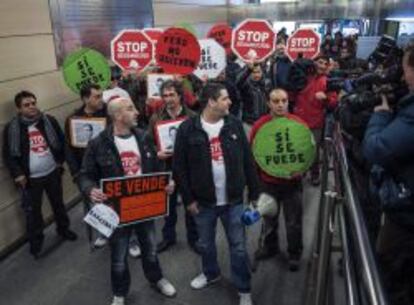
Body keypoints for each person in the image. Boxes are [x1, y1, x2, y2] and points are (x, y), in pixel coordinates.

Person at [79, 97, 177, 305]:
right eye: (130, 109)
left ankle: (156, 278)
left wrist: (165, 183)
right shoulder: (98, 144)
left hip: (144, 206)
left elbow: (155, 167)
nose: (137, 112)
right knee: (119, 257)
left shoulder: (143, 137)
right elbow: (85, 174)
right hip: (117, 210)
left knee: (150, 248)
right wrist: (91, 189)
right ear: (117, 115)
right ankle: (120, 293)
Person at [173, 82, 259, 305]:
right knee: (206, 244)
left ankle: (244, 288)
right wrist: (189, 199)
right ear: (211, 102)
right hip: (203, 203)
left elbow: (248, 160)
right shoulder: (187, 129)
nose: (230, 101)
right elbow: (179, 167)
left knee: (238, 247)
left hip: (233, 200)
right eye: (225, 98)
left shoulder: (234, 125)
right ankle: (211, 274)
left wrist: (255, 194)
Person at [363, 42, 414, 305]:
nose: (403, 76)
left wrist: (380, 117)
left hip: (406, 218)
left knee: (391, 273)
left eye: (405, 69)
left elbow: (377, 149)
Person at [2, 90, 77, 258]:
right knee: (33, 213)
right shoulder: (12, 128)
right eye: (26, 105)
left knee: (58, 204)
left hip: (52, 173)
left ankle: (63, 230)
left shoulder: (47, 120)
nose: (32, 107)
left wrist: (60, 161)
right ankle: (37, 243)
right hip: (30, 180)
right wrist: (18, 174)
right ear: (19, 109)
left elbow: (61, 141)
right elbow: (9, 155)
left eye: (33, 103)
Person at [250, 89, 304, 271]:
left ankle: (294, 253)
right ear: (268, 103)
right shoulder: (259, 126)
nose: (280, 104)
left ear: (288, 102)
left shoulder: (297, 123)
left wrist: (299, 170)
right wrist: (254, 185)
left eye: (284, 100)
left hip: (292, 183)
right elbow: (253, 154)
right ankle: (270, 247)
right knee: (269, 219)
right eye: (275, 101)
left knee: (294, 221)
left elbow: (306, 152)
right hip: (268, 183)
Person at [148, 80, 199, 253]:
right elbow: (148, 144)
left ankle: (194, 239)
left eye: (172, 95)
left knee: (190, 205)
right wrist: (157, 153)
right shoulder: (156, 118)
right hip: (166, 168)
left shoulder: (192, 117)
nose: (168, 99)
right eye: (165, 95)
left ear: (180, 96)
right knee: (167, 208)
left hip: (189, 169)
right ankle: (168, 237)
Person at [292, 55, 338, 185]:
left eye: (325, 63)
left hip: (315, 122)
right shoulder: (303, 77)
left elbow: (334, 103)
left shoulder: (327, 82)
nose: (322, 66)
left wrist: (326, 99)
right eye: (319, 62)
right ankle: (301, 172)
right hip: (299, 120)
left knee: (313, 150)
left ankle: (314, 174)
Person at [236, 63, 272, 131]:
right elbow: (238, 82)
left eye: (258, 72)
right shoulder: (246, 85)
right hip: (249, 123)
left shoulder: (267, 84)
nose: (256, 75)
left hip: (264, 122)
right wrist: (248, 69)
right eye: (253, 72)